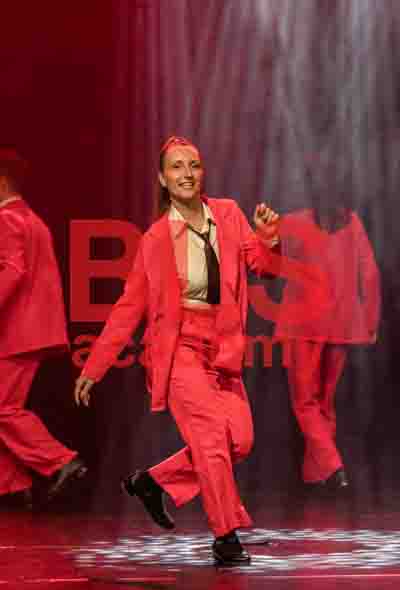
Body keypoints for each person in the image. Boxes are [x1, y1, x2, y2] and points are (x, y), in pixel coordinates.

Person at [74, 136, 326, 565]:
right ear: (163, 179)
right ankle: (226, 536)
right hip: (178, 350)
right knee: (210, 440)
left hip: (222, 347)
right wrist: (94, 367)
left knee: (239, 442)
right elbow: (128, 308)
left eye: (193, 165)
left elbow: (263, 268)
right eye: (176, 167)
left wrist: (268, 238)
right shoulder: (155, 239)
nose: (186, 174)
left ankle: (152, 482)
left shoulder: (227, 214)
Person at [275, 165, 381, 491]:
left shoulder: (293, 223)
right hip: (342, 324)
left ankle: (331, 465)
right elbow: (370, 274)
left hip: (303, 323)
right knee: (324, 401)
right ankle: (316, 474)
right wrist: (370, 321)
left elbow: (266, 255)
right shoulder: (353, 223)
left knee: (305, 402)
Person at [0, 148, 87, 509]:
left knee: (3, 408)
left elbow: (13, 271)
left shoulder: (7, 219)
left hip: (17, 330)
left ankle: (61, 461)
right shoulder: (31, 219)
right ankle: (12, 487)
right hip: (32, 328)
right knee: (5, 408)